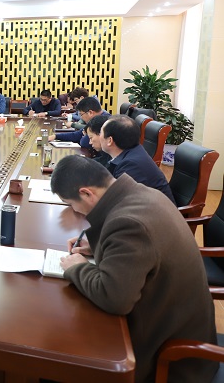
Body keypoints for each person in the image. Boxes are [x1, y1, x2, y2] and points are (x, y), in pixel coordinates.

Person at [51, 155, 217, 383]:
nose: (76, 211)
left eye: (71, 204)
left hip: (174, 362)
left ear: (86, 193)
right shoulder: (142, 195)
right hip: (180, 330)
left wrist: (77, 267)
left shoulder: (128, 223)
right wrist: (98, 246)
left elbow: (114, 298)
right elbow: (138, 253)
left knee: (61, 360)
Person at [99, 115, 175, 203]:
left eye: (100, 132)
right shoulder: (133, 152)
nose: (99, 136)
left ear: (110, 140)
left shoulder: (131, 166)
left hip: (155, 211)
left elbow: (117, 201)